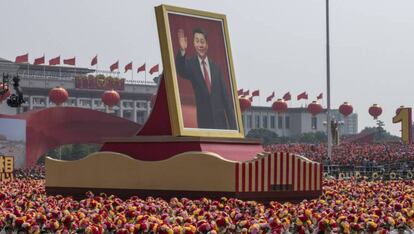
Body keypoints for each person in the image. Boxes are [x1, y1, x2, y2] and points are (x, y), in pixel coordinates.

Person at [175, 27, 237, 130]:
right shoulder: (191, 64)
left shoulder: (216, 68)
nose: (200, 45)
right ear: (194, 44)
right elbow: (181, 70)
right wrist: (182, 50)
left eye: (202, 41)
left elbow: (226, 99)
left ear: (207, 44)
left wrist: (234, 128)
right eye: (197, 41)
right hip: (204, 122)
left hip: (220, 123)